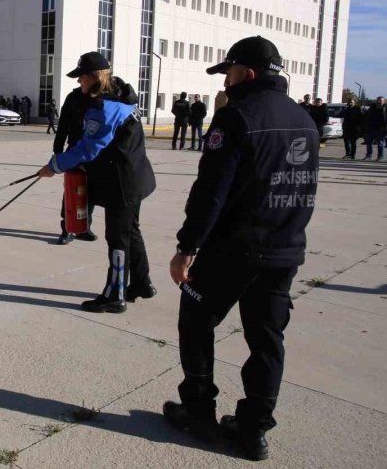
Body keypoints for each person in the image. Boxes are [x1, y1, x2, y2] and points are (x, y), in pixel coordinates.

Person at [164, 36, 319, 461]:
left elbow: (211, 192)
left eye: (229, 72)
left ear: (247, 74)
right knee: (266, 340)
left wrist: (186, 247)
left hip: (233, 250)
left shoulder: (236, 118)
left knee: (196, 322)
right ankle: (254, 430)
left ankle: (198, 412)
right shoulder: (305, 119)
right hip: (283, 251)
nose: (225, 81)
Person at [37, 52, 156, 313]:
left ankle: (115, 294)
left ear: (93, 77)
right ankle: (142, 283)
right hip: (134, 177)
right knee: (130, 231)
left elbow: (89, 149)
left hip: (121, 183)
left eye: (81, 77)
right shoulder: (122, 96)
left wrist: (54, 166)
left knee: (117, 238)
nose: (78, 81)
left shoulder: (105, 107)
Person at [54, 83, 98, 245]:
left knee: (90, 194)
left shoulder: (103, 97)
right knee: (72, 191)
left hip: (94, 154)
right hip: (74, 151)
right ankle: (67, 229)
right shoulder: (73, 98)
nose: (81, 82)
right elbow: (63, 125)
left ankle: (84, 228)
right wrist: (58, 151)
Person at [363, 96, 386, 161]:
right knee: (369, 143)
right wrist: (366, 126)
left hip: (381, 130)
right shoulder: (372, 108)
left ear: (383, 101)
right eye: (378, 100)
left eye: (380, 100)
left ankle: (380, 157)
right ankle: (368, 156)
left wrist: (384, 128)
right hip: (371, 128)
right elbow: (366, 117)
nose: (379, 101)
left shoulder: (385, 109)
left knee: (380, 144)